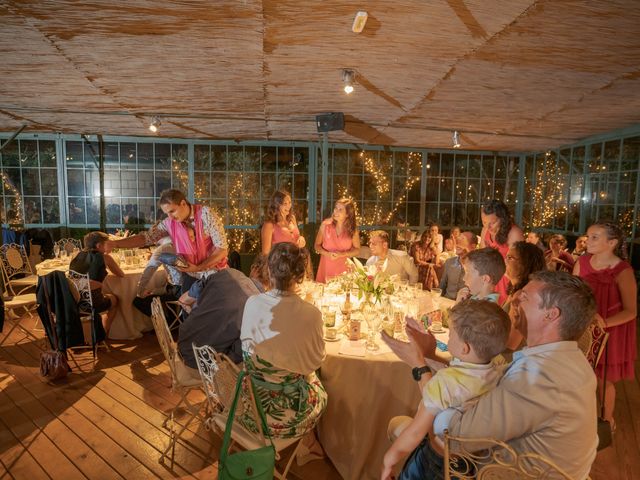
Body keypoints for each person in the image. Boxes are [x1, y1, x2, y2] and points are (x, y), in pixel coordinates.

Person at [383, 271, 598, 480]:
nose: (513, 300)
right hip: (512, 459)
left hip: (503, 471)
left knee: (405, 431)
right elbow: (476, 379)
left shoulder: (539, 378)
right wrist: (430, 355)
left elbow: (452, 438)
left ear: (551, 314)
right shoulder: (568, 359)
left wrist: (419, 367)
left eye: (524, 298)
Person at [381, 300, 510, 480]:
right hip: (467, 464)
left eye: (451, 334)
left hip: (435, 460)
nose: (448, 338)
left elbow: (416, 431)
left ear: (465, 348)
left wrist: (390, 459)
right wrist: (428, 354)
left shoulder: (446, 381)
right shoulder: (496, 370)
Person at [240, 243, 326, 464]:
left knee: (290, 373)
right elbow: (314, 362)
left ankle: (306, 445)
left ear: (269, 270)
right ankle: (309, 444)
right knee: (318, 383)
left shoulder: (252, 302)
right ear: (301, 276)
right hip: (285, 418)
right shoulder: (311, 313)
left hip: (248, 405)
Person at [574, 221, 637, 429]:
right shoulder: (582, 263)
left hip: (610, 330)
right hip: (582, 326)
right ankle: (579, 416)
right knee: (579, 374)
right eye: (588, 236)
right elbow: (574, 292)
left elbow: (631, 310)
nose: (588, 240)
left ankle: (607, 419)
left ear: (611, 243)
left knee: (603, 379)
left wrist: (604, 322)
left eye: (595, 237)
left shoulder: (622, 270)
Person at [106, 189, 228, 292]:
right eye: (166, 213)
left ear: (183, 203)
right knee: (188, 315)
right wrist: (116, 243)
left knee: (212, 316)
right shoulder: (169, 223)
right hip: (191, 275)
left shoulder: (206, 214)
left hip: (215, 274)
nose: (171, 217)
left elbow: (222, 249)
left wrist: (198, 267)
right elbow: (146, 238)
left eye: (172, 211)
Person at [178, 268, 259, 368]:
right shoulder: (258, 307)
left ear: (254, 269)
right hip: (200, 364)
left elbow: (196, 289)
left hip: (182, 343)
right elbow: (238, 353)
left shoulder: (229, 273)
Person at [69, 231, 124, 335]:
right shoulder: (105, 257)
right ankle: (104, 332)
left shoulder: (77, 255)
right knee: (114, 299)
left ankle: (88, 331)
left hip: (72, 300)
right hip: (92, 302)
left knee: (103, 293)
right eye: (107, 244)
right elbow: (121, 274)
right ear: (99, 245)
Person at [502, 241, 546, 354]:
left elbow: (511, 344)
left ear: (526, 264)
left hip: (515, 358)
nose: (505, 261)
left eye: (510, 258)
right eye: (506, 257)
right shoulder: (515, 290)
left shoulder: (522, 296)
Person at [479, 200, 524, 304]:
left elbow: (518, 265)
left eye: (493, 223)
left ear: (503, 219)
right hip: (491, 278)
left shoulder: (514, 232)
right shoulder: (485, 230)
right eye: (484, 222)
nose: (487, 227)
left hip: (507, 280)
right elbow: (483, 255)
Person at [132, 235, 183, 318]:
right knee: (158, 289)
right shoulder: (179, 242)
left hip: (178, 290)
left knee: (138, 301)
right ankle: (174, 320)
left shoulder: (162, 249)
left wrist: (140, 292)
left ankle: (165, 324)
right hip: (190, 286)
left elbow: (148, 272)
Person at [315, 198, 361, 283]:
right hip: (326, 267)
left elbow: (357, 250)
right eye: (336, 208)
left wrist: (343, 254)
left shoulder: (352, 230)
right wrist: (327, 254)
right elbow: (317, 245)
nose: (336, 211)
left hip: (345, 270)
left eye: (340, 210)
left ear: (347, 214)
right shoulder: (325, 225)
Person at [261, 190, 306, 255]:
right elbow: (265, 253)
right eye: (285, 203)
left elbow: (297, 237)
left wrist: (301, 240)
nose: (288, 206)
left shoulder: (292, 219)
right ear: (277, 205)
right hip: (279, 264)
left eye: (290, 202)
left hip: (295, 262)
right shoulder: (269, 225)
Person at [439, 231, 477, 300]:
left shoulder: (478, 267)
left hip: (464, 307)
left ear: (473, 247)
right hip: (446, 302)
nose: (457, 241)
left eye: (463, 238)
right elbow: (442, 287)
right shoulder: (449, 262)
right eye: (459, 237)